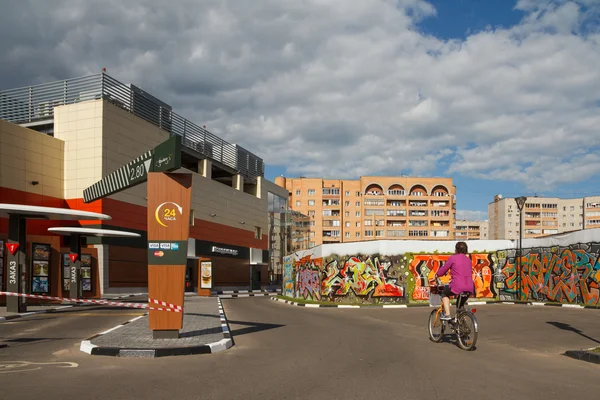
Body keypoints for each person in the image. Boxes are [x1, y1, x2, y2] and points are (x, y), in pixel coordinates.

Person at [435, 241, 475, 320]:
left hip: (457, 286)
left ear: (456, 250)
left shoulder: (453, 258)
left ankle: (447, 314)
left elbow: (443, 270)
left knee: (444, 293)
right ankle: (462, 321)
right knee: (459, 306)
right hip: (470, 287)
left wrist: (437, 275)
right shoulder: (468, 260)